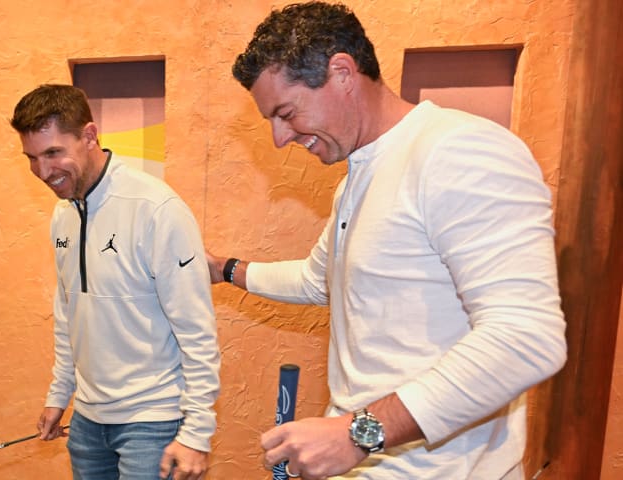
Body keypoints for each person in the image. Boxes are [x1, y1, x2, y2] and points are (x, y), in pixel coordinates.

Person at [208, 2, 567, 479]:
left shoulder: (455, 151)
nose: (279, 138)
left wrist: (359, 433)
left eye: (286, 113)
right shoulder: (357, 175)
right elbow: (320, 280)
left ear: (341, 72)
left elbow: (526, 337)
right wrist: (224, 269)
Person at [10, 84, 220, 480]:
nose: (42, 171)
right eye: (32, 158)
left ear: (89, 135)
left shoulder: (156, 209)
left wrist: (197, 433)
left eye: (53, 153)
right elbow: (69, 313)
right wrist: (60, 394)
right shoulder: (64, 215)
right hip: (88, 423)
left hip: (153, 421)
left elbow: (197, 331)